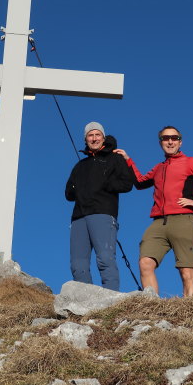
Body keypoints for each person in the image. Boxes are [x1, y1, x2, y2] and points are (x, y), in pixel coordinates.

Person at [114, 126, 193, 297]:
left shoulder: (191, 162)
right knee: (145, 263)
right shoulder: (159, 168)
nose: (170, 141)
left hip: (183, 220)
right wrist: (128, 160)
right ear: (161, 143)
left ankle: (190, 312)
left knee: (186, 271)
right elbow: (140, 182)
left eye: (174, 138)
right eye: (165, 138)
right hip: (159, 222)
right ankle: (152, 307)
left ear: (180, 142)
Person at [65, 122, 135, 291]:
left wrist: (105, 185)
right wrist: (79, 190)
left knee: (105, 259)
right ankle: (85, 304)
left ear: (103, 138)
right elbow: (68, 193)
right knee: (77, 265)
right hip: (79, 217)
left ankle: (110, 303)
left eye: (97, 135)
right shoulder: (80, 166)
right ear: (86, 139)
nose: (94, 138)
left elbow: (127, 184)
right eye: (90, 135)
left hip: (103, 213)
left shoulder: (114, 158)